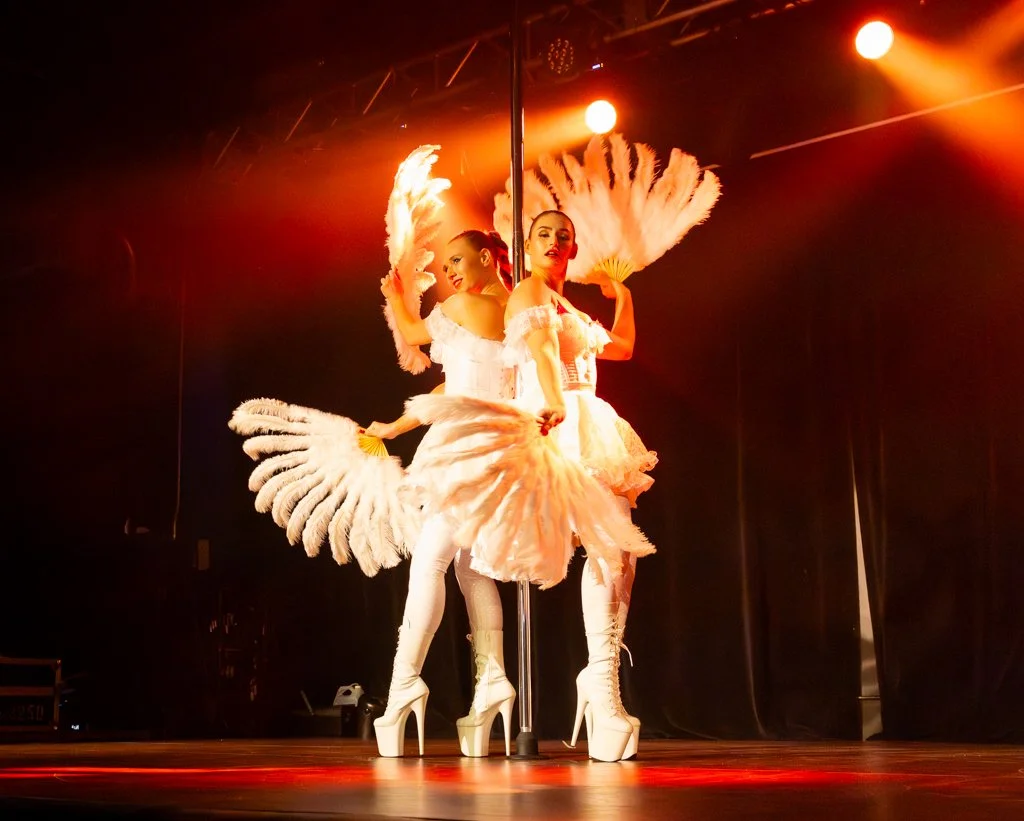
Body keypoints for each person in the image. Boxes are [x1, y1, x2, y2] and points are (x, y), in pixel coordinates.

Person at [503, 209, 657, 762]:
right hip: (558, 417)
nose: (554, 240)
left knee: (621, 553)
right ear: (526, 245)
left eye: (564, 235)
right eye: (543, 233)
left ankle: (600, 677)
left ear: (574, 248)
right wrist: (549, 400)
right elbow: (544, 352)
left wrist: (624, 295)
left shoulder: (570, 303)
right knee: (605, 547)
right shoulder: (528, 292)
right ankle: (600, 687)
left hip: (591, 421)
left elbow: (620, 348)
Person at [367, 229, 517, 758]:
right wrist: (397, 427)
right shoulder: (514, 309)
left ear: (485, 256)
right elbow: (450, 386)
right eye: (447, 262)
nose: (451, 270)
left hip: (465, 445)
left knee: (429, 562)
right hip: (498, 445)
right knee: (471, 567)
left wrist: (394, 294)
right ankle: (493, 678)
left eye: (458, 258)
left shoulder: (464, 304)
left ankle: (403, 686)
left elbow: (411, 331)